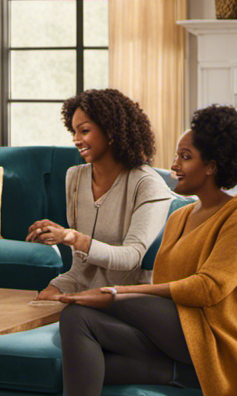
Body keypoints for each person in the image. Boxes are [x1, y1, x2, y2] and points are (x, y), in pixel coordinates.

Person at [37, 105, 237, 396]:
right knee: (77, 321)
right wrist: (102, 296)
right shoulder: (181, 217)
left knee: (103, 302)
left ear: (213, 165)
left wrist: (114, 295)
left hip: (216, 338)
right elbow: (164, 289)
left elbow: (208, 289)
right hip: (175, 343)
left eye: (185, 157)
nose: (173, 165)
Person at [27, 89, 172, 300]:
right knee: (36, 305)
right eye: (73, 132)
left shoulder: (148, 185)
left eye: (84, 131)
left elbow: (131, 258)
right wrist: (60, 235)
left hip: (127, 295)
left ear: (111, 132)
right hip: (82, 286)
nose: (76, 139)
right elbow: (80, 269)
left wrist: (73, 237)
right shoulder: (75, 177)